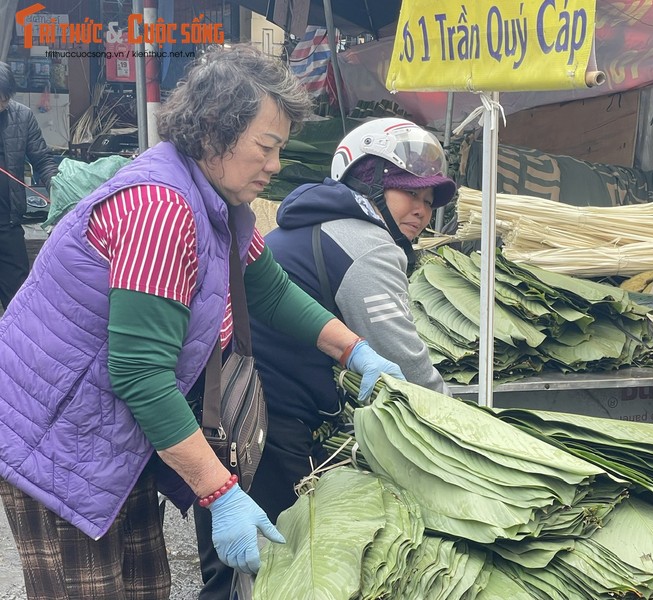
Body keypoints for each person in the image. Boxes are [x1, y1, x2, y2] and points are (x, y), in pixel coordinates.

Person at [0, 44, 404, 600]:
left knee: (145, 586)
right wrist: (222, 494)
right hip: (58, 440)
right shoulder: (161, 209)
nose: (276, 166)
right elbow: (141, 374)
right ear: (214, 130)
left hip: (117, 434)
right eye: (267, 147)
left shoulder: (220, 202)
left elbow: (271, 292)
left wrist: (357, 353)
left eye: (281, 149)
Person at [194, 117, 456, 598]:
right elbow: (405, 359)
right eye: (408, 193)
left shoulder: (308, 222)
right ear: (367, 182)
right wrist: (461, 427)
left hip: (226, 414)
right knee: (276, 568)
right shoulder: (369, 245)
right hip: (270, 425)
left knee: (232, 572)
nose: (421, 211)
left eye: (428, 201)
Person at [0, 61, 58, 309]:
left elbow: (42, 159)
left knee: (18, 299)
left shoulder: (22, 116)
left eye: (3, 100)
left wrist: (58, 187)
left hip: (7, 222)